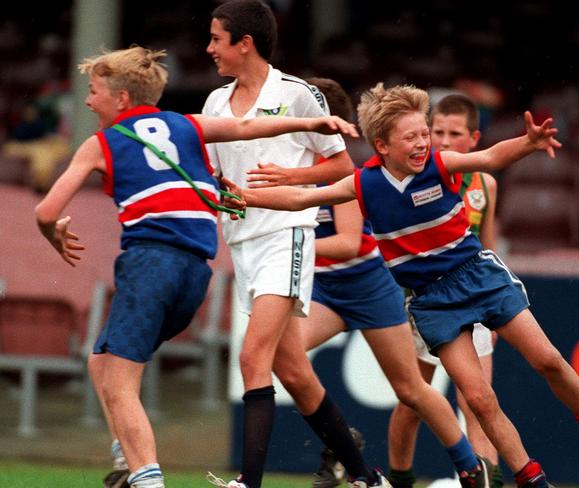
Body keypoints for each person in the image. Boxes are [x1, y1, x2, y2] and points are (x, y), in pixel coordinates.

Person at [221, 83, 579, 488]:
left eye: (425, 133)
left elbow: (492, 157)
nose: (424, 143)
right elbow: (300, 200)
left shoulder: (441, 164)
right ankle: (533, 480)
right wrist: (247, 198)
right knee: (476, 399)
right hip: (433, 302)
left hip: (477, 275)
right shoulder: (364, 184)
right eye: (413, 137)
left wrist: (527, 143)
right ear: (383, 146)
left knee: (547, 359)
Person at [34, 45, 358, 488]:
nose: (88, 100)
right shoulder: (187, 123)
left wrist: (54, 235)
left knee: (119, 382)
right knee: (101, 360)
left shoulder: (100, 143)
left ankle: (144, 475)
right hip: (196, 274)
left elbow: (46, 211)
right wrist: (308, 122)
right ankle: (127, 456)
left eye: (93, 91)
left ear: (122, 98)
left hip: (151, 263)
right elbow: (246, 127)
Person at [269, 78, 497, 488]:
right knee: (281, 358)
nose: (286, 120)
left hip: (371, 287)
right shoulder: (289, 161)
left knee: (413, 392)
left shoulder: (348, 169)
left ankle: (470, 466)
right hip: (323, 290)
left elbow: (349, 241)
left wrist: (287, 253)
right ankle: (343, 446)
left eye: (295, 113)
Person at [201, 2, 390, 488]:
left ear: (245, 43)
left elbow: (342, 169)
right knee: (294, 372)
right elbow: (220, 178)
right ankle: (367, 478)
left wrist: (290, 178)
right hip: (241, 243)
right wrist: (219, 191)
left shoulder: (299, 95)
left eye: (217, 39)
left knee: (251, 357)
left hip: (286, 236)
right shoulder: (215, 104)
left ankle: (248, 482)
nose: (209, 49)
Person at [386, 94, 501, 488]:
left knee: (478, 401)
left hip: (474, 295)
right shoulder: (414, 177)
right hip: (424, 301)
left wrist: (496, 309)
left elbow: (487, 246)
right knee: (413, 399)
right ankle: (400, 478)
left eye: (455, 133)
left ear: (474, 139)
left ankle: (487, 481)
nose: (446, 141)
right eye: (439, 133)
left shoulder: (484, 182)